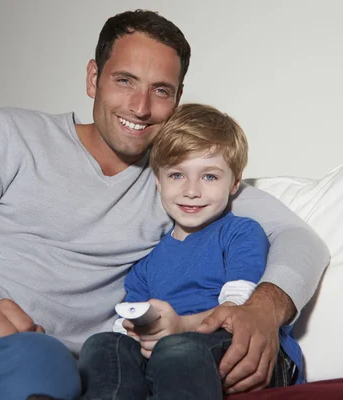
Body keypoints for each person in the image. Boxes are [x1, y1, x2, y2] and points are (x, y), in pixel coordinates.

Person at [0, 9, 329, 400]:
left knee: (46, 368)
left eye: (161, 90)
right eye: (125, 80)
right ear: (94, 78)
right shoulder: (13, 133)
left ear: (177, 100)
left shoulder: (178, 180)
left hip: (18, 359)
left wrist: (263, 309)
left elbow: (299, 239)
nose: (141, 105)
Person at [79, 103, 303, 399]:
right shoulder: (148, 259)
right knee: (103, 346)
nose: (192, 190)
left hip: (245, 351)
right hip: (171, 357)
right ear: (158, 181)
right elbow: (129, 319)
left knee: (178, 349)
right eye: (177, 175)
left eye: (209, 177)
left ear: (234, 182)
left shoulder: (240, 232)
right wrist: (136, 331)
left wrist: (179, 326)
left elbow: (236, 310)